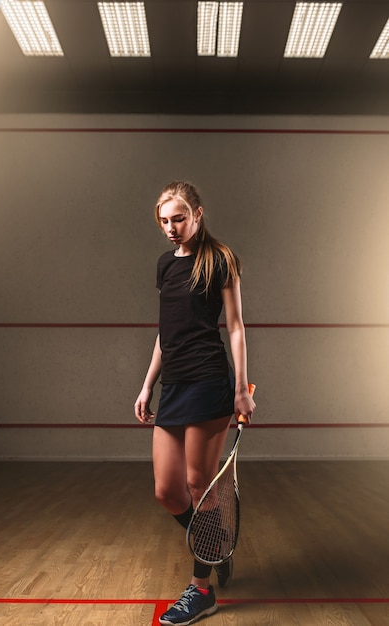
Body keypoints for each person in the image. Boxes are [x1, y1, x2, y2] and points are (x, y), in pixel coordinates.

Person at [134, 181, 255, 626]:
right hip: (175, 388)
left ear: (198, 214)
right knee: (167, 492)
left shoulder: (220, 259)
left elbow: (236, 328)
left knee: (199, 485)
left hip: (209, 383)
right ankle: (216, 544)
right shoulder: (166, 265)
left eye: (179, 218)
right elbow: (167, 333)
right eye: (164, 221)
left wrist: (241, 388)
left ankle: (201, 591)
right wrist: (148, 385)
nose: (171, 228)